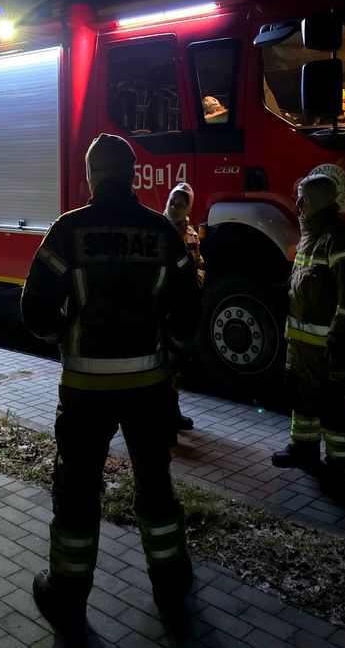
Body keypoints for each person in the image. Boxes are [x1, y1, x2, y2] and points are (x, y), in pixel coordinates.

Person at [21, 133, 200, 639]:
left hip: (86, 389)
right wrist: (172, 350)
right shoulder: (162, 231)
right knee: (155, 482)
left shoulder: (67, 231)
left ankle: (66, 593)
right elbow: (189, 309)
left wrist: (64, 335)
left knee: (78, 488)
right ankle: (171, 583)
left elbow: (34, 310)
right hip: (150, 386)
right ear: (133, 174)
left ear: (90, 177)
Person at [271, 174, 345, 497]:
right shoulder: (310, 235)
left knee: (333, 408)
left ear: (320, 201)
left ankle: (339, 468)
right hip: (300, 346)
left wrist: (339, 338)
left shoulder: (339, 237)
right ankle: (303, 449)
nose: (298, 204)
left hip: (325, 347)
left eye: (305, 198)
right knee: (301, 399)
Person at [164, 182, 204, 434]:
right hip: (161, 307)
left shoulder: (191, 234)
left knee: (178, 364)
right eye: (173, 202)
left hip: (181, 307)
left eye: (181, 203)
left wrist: (197, 280)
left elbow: (199, 263)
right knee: (160, 363)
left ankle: (172, 410)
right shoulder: (157, 228)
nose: (176, 206)